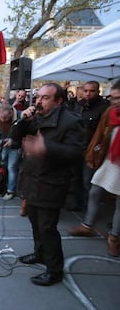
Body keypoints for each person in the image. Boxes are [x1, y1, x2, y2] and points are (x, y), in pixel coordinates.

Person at [11, 83, 85, 286]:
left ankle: (54, 270)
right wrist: (22, 121)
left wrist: (47, 147)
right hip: (32, 178)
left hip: (52, 183)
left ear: (59, 101)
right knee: (35, 222)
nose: (38, 102)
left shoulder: (70, 122)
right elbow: (15, 139)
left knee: (47, 227)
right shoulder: (35, 117)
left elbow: (77, 154)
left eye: (45, 98)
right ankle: (40, 253)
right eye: (37, 97)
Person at [68, 80, 120, 256]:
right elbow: (101, 134)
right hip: (108, 160)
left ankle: (114, 237)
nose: (115, 102)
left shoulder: (104, 108)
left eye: (118, 98)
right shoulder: (110, 112)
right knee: (94, 190)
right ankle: (87, 225)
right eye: (113, 98)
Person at [0, 104, 21, 200]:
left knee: (11, 167)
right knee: (3, 165)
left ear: (11, 113)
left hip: (15, 146)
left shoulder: (20, 118)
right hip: (3, 145)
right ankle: (3, 185)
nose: (2, 120)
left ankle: (10, 190)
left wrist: (13, 141)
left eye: (5, 118)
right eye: (1, 118)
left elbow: (25, 135)